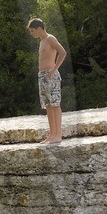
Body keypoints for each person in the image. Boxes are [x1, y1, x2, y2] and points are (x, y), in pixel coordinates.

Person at [29, 17, 68, 145]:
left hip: (51, 75)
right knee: (48, 106)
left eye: (32, 30)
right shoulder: (42, 41)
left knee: (55, 105)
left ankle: (58, 135)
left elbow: (62, 52)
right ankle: (52, 135)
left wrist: (54, 70)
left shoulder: (50, 38)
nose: (32, 33)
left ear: (39, 29)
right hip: (42, 76)